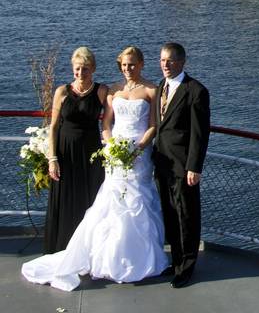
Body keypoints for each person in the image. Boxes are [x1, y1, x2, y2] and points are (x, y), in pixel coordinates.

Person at [23, 47, 168, 290]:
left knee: (139, 201)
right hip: (114, 154)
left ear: (141, 64)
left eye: (132, 64)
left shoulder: (152, 90)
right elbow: (107, 122)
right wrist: (111, 145)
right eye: (124, 65)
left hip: (139, 154)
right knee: (109, 203)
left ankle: (140, 257)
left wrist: (139, 147)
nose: (127, 69)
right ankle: (104, 256)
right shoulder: (113, 90)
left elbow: (154, 125)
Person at [153, 42, 210, 288]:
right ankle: (175, 261)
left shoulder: (195, 91)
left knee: (186, 215)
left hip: (183, 166)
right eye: (163, 60)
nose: (165, 65)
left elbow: (200, 133)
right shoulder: (160, 88)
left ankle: (187, 266)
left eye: (170, 60)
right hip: (162, 163)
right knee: (169, 214)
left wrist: (194, 167)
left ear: (182, 62)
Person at [42, 47, 107, 254]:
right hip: (65, 153)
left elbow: (115, 117)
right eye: (77, 69)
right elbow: (53, 127)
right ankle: (62, 247)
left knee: (90, 198)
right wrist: (52, 158)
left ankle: (88, 249)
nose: (80, 73)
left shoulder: (102, 91)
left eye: (85, 69)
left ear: (93, 69)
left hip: (90, 152)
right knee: (66, 198)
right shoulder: (62, 91)